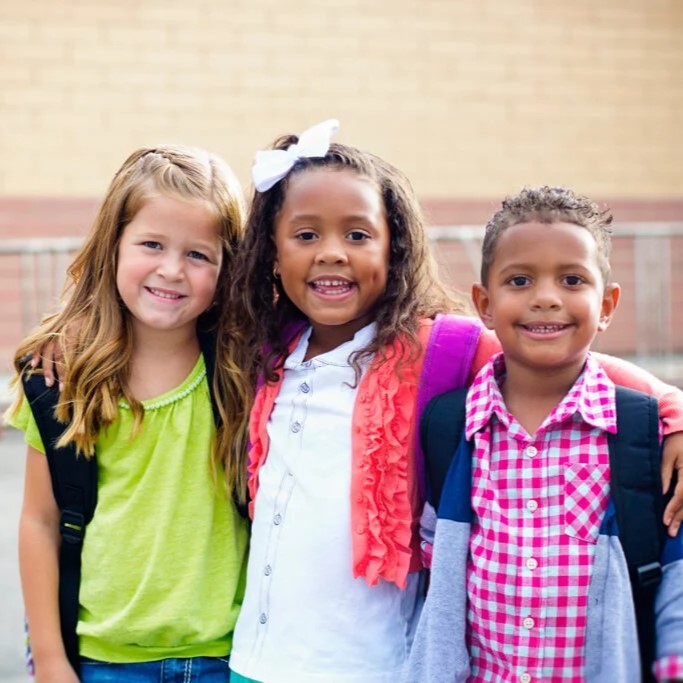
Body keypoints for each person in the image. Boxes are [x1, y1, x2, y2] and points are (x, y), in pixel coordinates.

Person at [226, 120, 683, 683]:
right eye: (305, 236)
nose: (332, 254)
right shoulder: (259, 355)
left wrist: (672, 409)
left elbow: (571, 361)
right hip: (255, 661)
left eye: (357, 235)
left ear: (393, 250)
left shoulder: (435, 349)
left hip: (378, 665)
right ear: (272, 253)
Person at [404, 186, 683, 682]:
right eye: (520, 280)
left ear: (607, 305)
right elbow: (434, 565)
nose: (547, 298)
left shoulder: (642, 430)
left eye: (572, 279)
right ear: (485, 305)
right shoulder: (450, 427)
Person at [6, 146, 252, 683]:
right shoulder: (61, 378)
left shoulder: (244, 369)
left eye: (198, 255)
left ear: (228, 269)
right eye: (151, 244)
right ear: (112, 247)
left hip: (231, 658)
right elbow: (40, 521)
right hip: (104, 661)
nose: (171, 270)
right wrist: (49, 659)